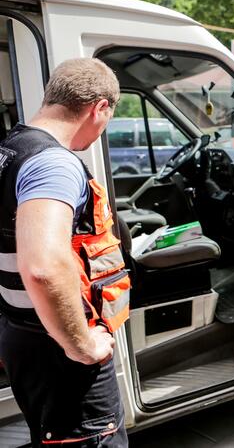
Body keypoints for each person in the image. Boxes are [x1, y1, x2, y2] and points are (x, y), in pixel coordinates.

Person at [0, 58, 129, 446]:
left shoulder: (9, 149)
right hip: (60, 354)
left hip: (25, 336)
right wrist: (83, 345)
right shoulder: (53, 163)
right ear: (99, 108)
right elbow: (43, 266)